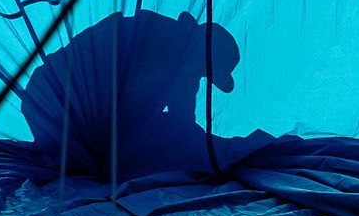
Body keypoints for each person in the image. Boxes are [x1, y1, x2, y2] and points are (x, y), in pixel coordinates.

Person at [19, 10, 239, 177]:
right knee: (98, 168)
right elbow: (180, 118)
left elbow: (178, 117)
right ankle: (61, 158)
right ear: (202, 56)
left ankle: (58, 156)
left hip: (46, 99)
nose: (200, 77)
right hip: (55, 102)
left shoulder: (177, 47)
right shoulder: (166, 43)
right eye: (204, 71)